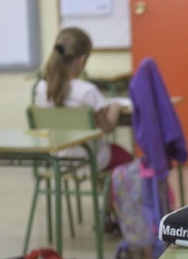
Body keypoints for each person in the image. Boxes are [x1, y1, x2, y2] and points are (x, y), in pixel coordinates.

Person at [34, 27, 133, 172]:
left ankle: (103, 192)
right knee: (124, 156)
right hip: (89, 158)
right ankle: (110, 194)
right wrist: (114, 108)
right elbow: (107, 128)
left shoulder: (41, 87)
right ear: (82, 60)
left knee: (111, 155)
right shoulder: (87, 91)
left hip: (56, 158)